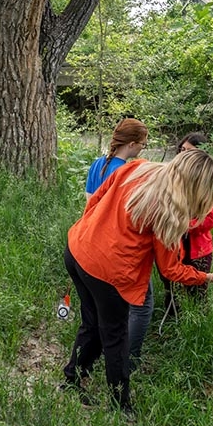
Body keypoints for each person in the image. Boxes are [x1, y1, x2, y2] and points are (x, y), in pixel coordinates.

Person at [63, 150, 213, 413]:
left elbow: (96, 199)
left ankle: (72, 378)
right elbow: (171, 270)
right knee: (115, 338)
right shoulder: (170, 212)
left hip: (77, 249)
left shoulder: (139, 168)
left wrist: (90, 231)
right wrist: (209, 277)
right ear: (196, 187)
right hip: (108, 274)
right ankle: (121, 405)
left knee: (93, 323)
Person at [84, 119, 153, 370]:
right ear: (132, 144)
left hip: (90, 243)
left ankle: (97, 352)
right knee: (141, 305)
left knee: (97, 308)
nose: (142, 150)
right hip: (115, 247)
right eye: (142, 145)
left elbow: (89, 203)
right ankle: (128, 359)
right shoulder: (124, 172)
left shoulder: (97, 165)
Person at [160, 132, 213, 320]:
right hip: (171, 244)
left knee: (198, 293)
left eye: (189, 151)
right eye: (182, 149)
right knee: (171, 289)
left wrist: (185, 225)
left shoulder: (212, 183)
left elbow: (212, 218)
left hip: (198, 248)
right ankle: (172, 327)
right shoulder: (169, 177)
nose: (183, 154)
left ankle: (196, 330)